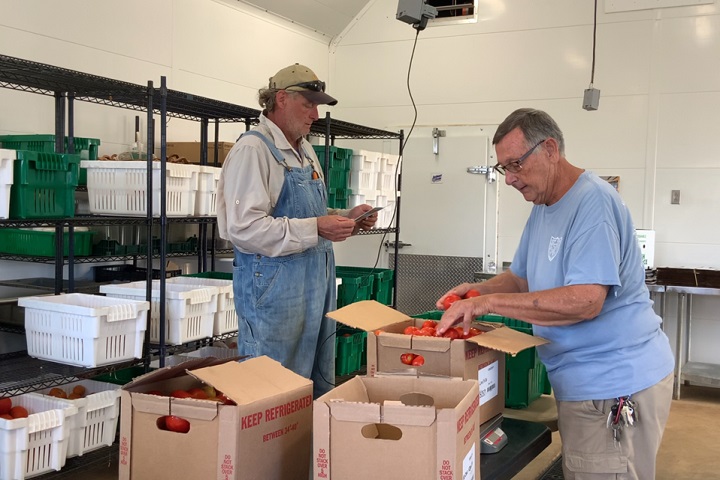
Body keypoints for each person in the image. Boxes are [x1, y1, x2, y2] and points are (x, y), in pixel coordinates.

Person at [435, 108, 674, 479]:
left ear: (550, 149)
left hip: (613, 384)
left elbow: (586, 300)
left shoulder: (593, 203)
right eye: (503, 168)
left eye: (515, 164)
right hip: (582, 381)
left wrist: (487, 303)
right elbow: (520, 279)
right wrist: (476, 291)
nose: (511, 179)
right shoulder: (544, 206)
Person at [217, 63, 378, 398]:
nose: (316, 115)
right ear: (281, 100)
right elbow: (244, 229)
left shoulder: (303, 151)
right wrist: (317, 227)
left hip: (313, 290)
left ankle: (305, 452)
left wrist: (345, 216)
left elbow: (309, 214)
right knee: (270, 389)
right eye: (309, 104)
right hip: (275, 294)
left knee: (313, 385)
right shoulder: (254, 150)